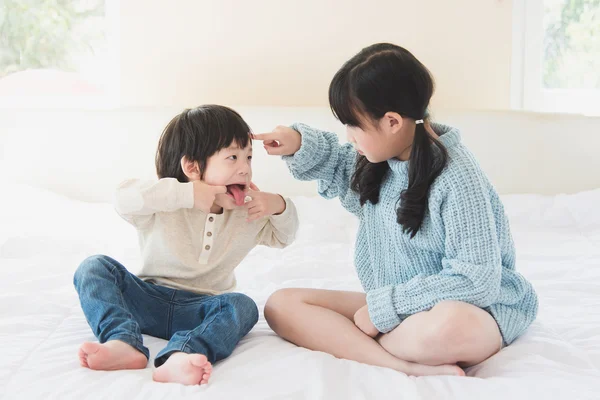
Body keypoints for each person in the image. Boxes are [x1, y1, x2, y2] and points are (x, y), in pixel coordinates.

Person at [256, 43, 538, 376]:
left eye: (354, 125)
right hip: (396, 308)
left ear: (392, 122)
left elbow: (476, 281)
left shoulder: (458, 179)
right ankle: (401, 364)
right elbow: (338, 165)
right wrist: (299, 142)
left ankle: (361, 344)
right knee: (281, 305)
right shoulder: (383, 160)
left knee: (449, 326)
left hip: (473, 310)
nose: (349, 136)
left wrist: (383, 308)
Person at [74, 105, 299, 385]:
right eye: (232, 157)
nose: (245, 169)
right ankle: (123, 342)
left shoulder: (248, 214)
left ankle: (182, 354)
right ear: (192, 167)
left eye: (248, 157)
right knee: (94, 267)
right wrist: (187, 193)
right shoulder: (166, 201)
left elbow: (284, 236)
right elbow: (123, 198)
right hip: (147, 299)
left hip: (201, 310)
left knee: (243, 305)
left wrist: (279, 205)